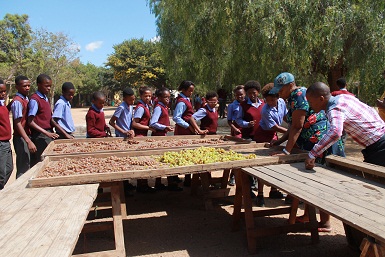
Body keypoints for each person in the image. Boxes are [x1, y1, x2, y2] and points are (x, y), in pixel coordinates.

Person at [269, 72, 345, 232]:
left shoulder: (298, 96)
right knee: (309, 183)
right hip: (310, 143)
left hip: (320, 144)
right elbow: (292, 126)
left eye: (280, 89)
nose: (279, 93)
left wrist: (286, 151)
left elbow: (298, 125)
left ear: (290, 85)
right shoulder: (292, 97)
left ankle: (325, 223)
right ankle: (308, 215)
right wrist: (279, 142)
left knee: (321, 183)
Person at [253, 83, 288, 206]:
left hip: (273, 135)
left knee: (275, 162)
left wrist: (294, 125)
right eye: (267, 100)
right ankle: (260, 194)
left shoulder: (282, 102)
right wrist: (291, 132)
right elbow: (275, 126)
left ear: (278, 97)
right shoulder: (265, 110)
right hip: (263, 135)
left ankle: (274, 190)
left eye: (272, 99)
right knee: (263, 164)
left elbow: (286, 116)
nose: (270, 102)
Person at [28, 74, 68, 166]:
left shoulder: (45, 98)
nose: (49, 88)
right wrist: (46, 133)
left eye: (50, 86)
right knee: (42, 162)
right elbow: (30, 121)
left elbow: (50, 119)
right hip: (40, 136)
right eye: (46, 86)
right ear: (38, 85)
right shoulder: (35, 100)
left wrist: (64, 133)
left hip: (48, 133)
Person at [235, 80, 265, 196]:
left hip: (262, 137)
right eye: (249, 93)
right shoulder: (243, 105)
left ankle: (260, 186)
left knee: (261, 162)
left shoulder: (263, 104)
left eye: (254, 92)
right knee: (249, 162)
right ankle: (249, 188)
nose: (252, 95)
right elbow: (238, 119)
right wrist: (247, 124)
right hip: (249, 136)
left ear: (258, 92)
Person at [149, 87, 182, 191]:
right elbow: (153, 123)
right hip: (158, 137)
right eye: (165, 97)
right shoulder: (159, 108)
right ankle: (170, 184)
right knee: (165, 159)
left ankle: (160, 182)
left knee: (162, 159)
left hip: (162, 136)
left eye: (169, 97)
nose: (168, 99)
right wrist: (164, 127)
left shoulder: (164, 107)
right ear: (159, 97)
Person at [9, 76, 36, 178]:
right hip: (21, 137)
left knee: (29, 165)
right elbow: (17, 123)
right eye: (24, 86)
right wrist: (28, 141)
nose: (27, 88)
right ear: (17, 87)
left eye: (29, 85)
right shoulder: (17, 102)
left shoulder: (26, 98)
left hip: (27, 135)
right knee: (23, 167)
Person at [132, 86, 156, 193]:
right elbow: (135, 123)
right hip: (139, 136)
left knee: (144, 160)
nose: (148, 98)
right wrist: (148, 127)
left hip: (143, 135)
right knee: (141, 160)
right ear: (141, 96)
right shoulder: (141, 107)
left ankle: (144, 184)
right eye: (146, 96)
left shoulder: (146, 106)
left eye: (150, 96)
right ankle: (141, 186)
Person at [173, 80, 196, 187]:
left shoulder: (186, 99)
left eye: (192, 91)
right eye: (189, 91)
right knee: (182, 153)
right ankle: (177, 178)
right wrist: (188, 126)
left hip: (188, 129)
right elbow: (176, 118)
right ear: (184, 90)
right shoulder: (182, 101)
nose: (191, 93)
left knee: (188, 153)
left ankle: (188, 178)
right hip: (183, 130)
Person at [0, 79, 13, 189]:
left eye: (4, 91)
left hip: (6, 142)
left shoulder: (2, 104)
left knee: (9, 168)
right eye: (0, 92)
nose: (3, 94)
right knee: (1, 173)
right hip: (1, 143)